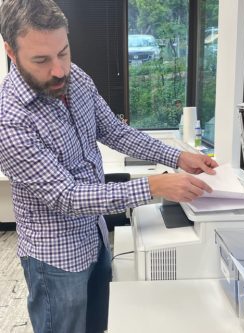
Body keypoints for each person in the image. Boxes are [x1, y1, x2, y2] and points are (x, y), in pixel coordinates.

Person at [0, 1, 218, 332]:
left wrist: (178, 156)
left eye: (63, 52)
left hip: (95, 236)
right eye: (41, 60)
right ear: (11, 53)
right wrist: (154, 186)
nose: (59, 70)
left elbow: (114, 131)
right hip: (55, 258)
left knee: (100, 325)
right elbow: (67, 197)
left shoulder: (77, 78)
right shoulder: (10, 119)